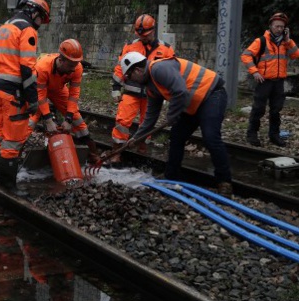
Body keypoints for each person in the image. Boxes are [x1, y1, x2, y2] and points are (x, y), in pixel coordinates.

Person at [119, 52, 232, 194]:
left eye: (129, 76)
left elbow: (180, 91)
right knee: (177, 136)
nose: (130, 80)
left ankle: (224, 182)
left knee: (210, 136)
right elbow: (150, 118)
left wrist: (171, 117)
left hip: (212, 94)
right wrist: (136, 138)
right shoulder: (151, 88)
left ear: (137, 70)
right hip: (192, 103)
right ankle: (172, 176)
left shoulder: (158, 69)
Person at [0, 0, 50, 189]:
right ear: (35, 13)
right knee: (13, 141)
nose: (40, 24)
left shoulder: (3, 28)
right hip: (13, 95)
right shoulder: (27, 30)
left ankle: (1, 180)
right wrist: (33, 100)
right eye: (41, 19)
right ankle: (9, 188)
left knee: (1, 136)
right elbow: (28, 69)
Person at [110, 14, 174, 165]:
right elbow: (120, 67)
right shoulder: (130, 46)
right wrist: (116, 87)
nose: (143, 38)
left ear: (153, 30)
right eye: (140, 35)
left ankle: (142, 149)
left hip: (153, 95)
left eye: (145, 34)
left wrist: (167, 93)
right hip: (131, 92)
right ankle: (117, 152)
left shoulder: (166, 49)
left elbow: (171, 71)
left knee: (147, 123)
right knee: (122, 121)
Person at [30, 39, 99, 163]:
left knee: (77, 119)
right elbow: (41, 96)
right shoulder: (42, 67)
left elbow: (73, 95)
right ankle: (15, 152)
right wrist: (48, 120)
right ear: (60, 60)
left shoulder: (77, 68)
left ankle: (92, 153)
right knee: (31, 119)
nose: (73, 69)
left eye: (76, 65)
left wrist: (68, 119)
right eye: (71, 66)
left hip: (58, 89)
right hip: (39, 90)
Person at [240, 12, 299, 147]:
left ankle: (274, 135)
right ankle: (252, 134)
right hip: (264, 81)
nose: (279, 29)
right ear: (270, 26)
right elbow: (246, 56)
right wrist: (255, 72)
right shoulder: (261, 41)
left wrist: (288, 40)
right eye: (276, 26)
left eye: (281, 27)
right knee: (258, 109)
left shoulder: (286, 42)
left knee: (276, 110)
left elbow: (296, 55)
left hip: (279, 82)